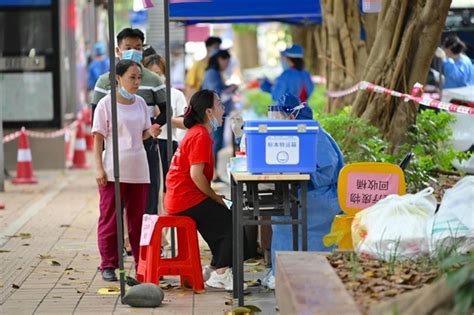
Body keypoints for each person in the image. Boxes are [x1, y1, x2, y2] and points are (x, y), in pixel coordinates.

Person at [261, 93, 344, 289]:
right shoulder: (300, 131)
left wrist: (301, 175)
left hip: (320, 196)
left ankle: (288, 271)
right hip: (305, 192)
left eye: (279, 116)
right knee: (281, 213)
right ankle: (284, 270)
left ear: (291, 116)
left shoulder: (313, 134)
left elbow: (326, 169)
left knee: (283, 217)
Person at [164, 90, 245, 291]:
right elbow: (196, 175)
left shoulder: (197, 133)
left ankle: (215, 267)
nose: (223, 108)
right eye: (219, 104)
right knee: (231, 220)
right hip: (186, 198)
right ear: (209, 112)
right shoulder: (200, 135)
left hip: (180, 196)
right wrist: (215, 196)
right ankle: (221, 273)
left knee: (226, 215)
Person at [92, 60, 161, 281]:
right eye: (132, 77)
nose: (137, 82)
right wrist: (99, 168)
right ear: (118, 78)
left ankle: (142, 262)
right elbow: (98, 138)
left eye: (139, 78)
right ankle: (108, 264)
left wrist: (151, 131)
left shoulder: (141, 103)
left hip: (139, 169)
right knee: (110, 218)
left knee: (138, 220)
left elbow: (140, 134)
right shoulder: (105, 104)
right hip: (113, 170)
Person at [91, 28, 167, 215]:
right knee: (116, 201)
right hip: (115, 148)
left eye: (138, 47)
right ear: (118, 50)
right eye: (128, 47)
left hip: (146, 146)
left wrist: (153, 127)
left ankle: (146, 242)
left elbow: (166, 110)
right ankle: (122, 240)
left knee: (147, 197)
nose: (133, 51)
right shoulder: (104, 81)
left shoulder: (153, 79)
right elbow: (97, 121)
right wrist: (99, 162)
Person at [201, 49, 238, 182]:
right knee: (214, 143)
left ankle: (213, 171)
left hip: (217, 114)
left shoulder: (215, 73)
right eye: (226, 61)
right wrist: (231, 89)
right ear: (220, 60)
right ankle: (213, 173)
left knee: (216, 142)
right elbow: (216, 94)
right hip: (214, 114)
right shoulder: (212, 73)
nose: (227, 64)